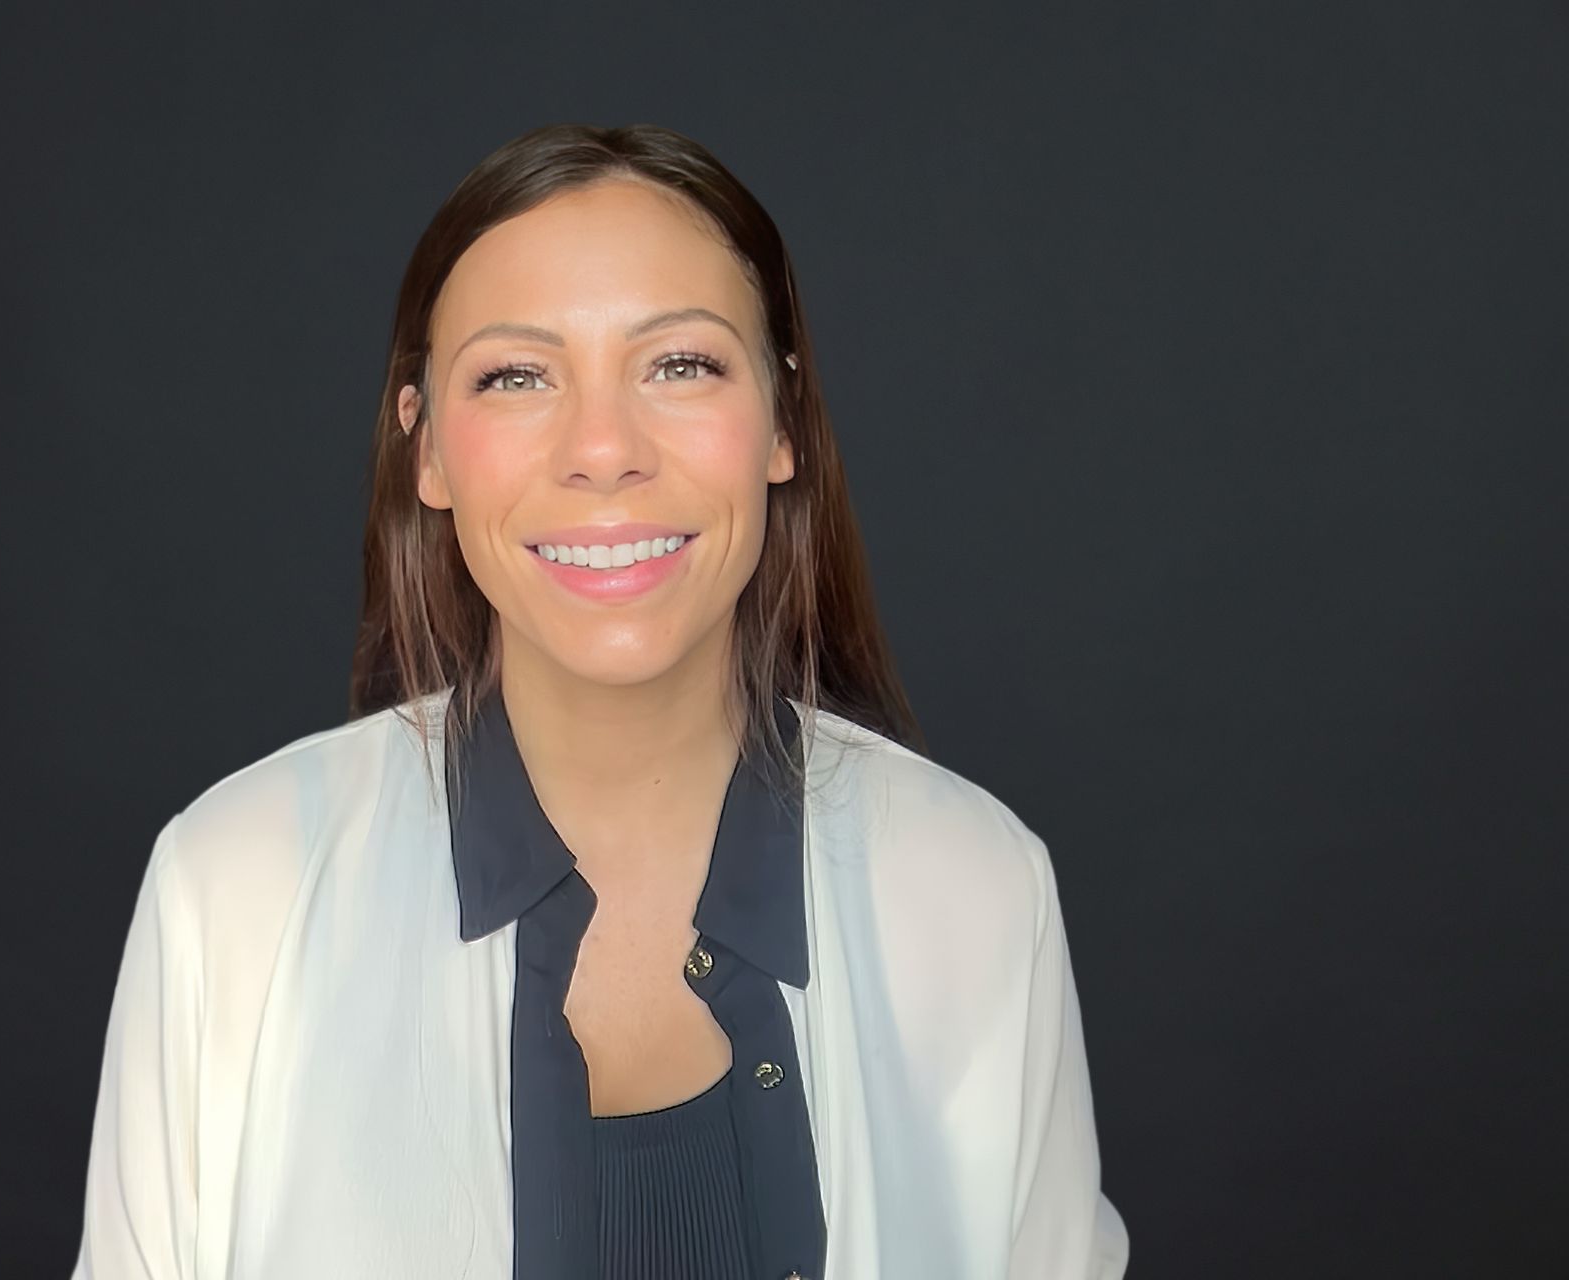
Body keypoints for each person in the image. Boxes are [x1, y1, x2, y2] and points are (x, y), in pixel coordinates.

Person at [70, 122, 1129, 1280]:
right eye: (516, 376)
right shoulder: (231, 891)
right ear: (426, 451)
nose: (604, 448)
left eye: (680, 363)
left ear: (782, 423)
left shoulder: (978, 885)